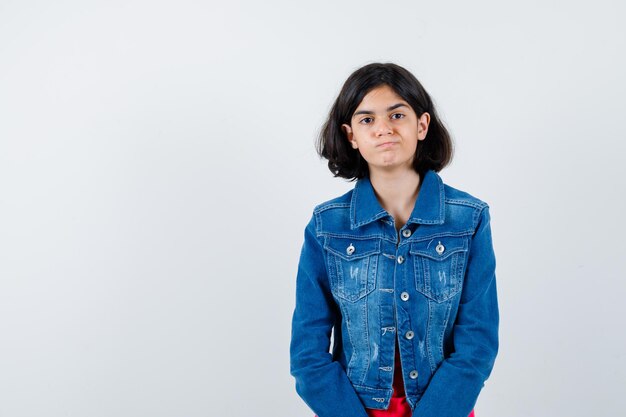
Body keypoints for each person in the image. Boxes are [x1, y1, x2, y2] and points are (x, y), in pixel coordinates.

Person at [289, 62, 499, 417]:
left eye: (397, 115)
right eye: (367, 119)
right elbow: (307, 355)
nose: (383, 129)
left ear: (422, 125)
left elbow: (477, 343)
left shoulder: (469, 219)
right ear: (351, 135)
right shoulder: (327, 226)